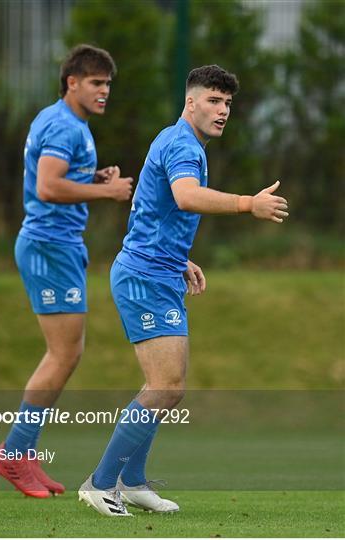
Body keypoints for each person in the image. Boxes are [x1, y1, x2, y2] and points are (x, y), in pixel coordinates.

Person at [78, 64, 289, 516]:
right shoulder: (183, 146)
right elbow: (186, 197)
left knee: (167, 386)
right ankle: (99, 484)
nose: (223, 110)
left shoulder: (178, 140)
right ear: (190, 102)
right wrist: (248, 203)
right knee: (166, 386)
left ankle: (132, 482)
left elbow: (152, 211)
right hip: (144, 278)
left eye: (228, 103)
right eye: (213, 100)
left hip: (158, 270)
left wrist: (180, 259)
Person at [0, 44, 133, 498]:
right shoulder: (62, 124)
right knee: (62, 354)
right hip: (49, 246)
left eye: (108, 84)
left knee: (68, 353)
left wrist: (92, 180)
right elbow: (48, 187)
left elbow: (54, 178)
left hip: (60, 246)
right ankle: (13, 453)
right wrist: (106, 195)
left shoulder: (71, 124)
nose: (104, 91)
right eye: (96, 83)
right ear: (72, 82)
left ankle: (23, 451)